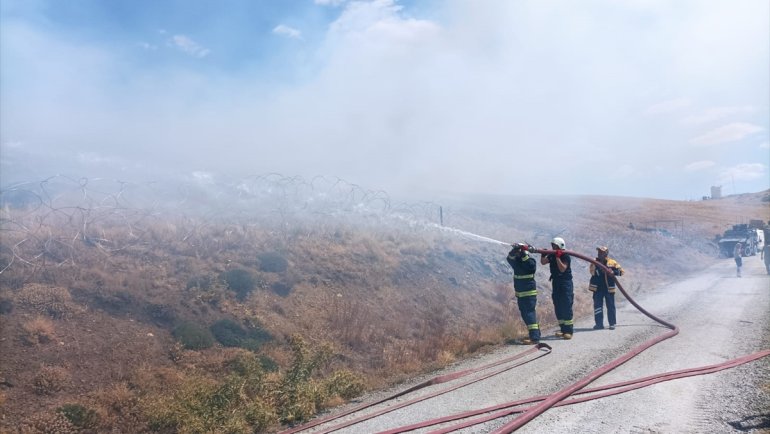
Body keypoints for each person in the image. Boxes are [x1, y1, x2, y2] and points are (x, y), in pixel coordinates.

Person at [506, 243, 540, 344]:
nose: (518, 254)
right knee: (526, 315)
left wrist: (524, 253)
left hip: (529, 293)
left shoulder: (531, 262)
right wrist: (514, 250)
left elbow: (530, 266)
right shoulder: (517, 262)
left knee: (529, 314)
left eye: (520, 252)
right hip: (521, 294)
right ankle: (535, 334)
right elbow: (509, 258)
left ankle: (534, 338)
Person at [541, 237, 574, 340]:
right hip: (556, 283)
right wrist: (543, 254)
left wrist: (558, 258)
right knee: (558, 305)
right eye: (552, 246)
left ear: (560, 246)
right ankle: (563, 329)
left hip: (565, 283)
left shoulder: (565, 256)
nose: (553, 247)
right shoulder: (552, 255)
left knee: (566, 305)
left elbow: (562, 268)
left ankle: (568, 331)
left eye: (555, 246)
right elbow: (543, 262)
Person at [589, 246, 624, 330]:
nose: (599, 253)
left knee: (610, 306)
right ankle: (599, 324)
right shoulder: (594, 262)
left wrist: (612, 271)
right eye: (599, 252)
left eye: (602, 252)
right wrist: (600, 269)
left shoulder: (612, 262)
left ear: (606, 253)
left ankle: (612, 324)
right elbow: (591, 272)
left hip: (609, 288)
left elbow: (621, 272)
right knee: (598, 307)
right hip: (598, 289)